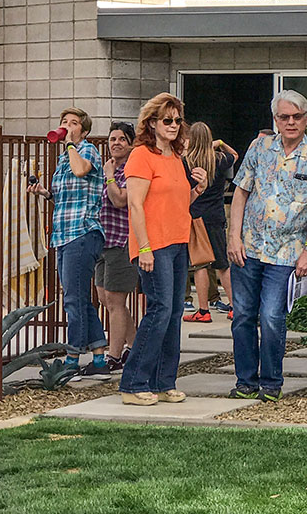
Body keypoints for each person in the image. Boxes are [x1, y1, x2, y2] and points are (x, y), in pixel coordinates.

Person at [227, 90, 307, 401]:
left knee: (271, 317)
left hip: (286, 253)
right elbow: (241, 192)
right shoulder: (260, 147)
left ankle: (270, 383)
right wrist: (233, 237)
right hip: (248, 248)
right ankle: (245, 381)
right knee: (242, 315)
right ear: (276, 120)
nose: (291, 122)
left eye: (297, 117)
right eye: (285, 117)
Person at [120, 93, 208, 406]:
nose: (173, 125)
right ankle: (133, 383)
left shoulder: (175, 156)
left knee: (172, 315)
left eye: (177, 120)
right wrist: (144, 248)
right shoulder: (141, 155)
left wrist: (198, 189)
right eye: (166, 120)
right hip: (153, 245)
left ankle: (163, 382)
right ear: (152, 123)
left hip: (177, 242)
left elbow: (177, 204)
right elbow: (135, 204)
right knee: (159, 311)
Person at [26, 107, 109, 375]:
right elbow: (67, 197)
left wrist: (72, 145)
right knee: (78, 297)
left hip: (83, 233)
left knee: (73, 299)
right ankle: (98, 357)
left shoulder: (86, 151)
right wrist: (45, 193)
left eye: (74, 123)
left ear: (83, 131)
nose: (68, 126)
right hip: (64, 234)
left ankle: (72, 357)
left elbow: (82, 171)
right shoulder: (65, 158)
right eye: (64, 122)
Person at [183, 122, 238, 323]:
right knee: (223, 264)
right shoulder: (220, 158)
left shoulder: (186, 161)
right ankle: (234, 306)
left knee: (200, 264)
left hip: (196, 215)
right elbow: (236, 156)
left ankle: (203, 310)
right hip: (216, 215)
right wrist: (221, 143)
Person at [95, 120, 138, 371]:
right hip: (104, 240)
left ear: (131, 144)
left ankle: (114, 356)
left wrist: (110, 176)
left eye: (122, 139)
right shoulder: (107, 167)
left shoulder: (130, 169)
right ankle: (134, 346)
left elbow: (120, 200)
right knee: (106, 299)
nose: (116, 143)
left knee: (115, 301)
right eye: (113, 139)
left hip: (123, 241)